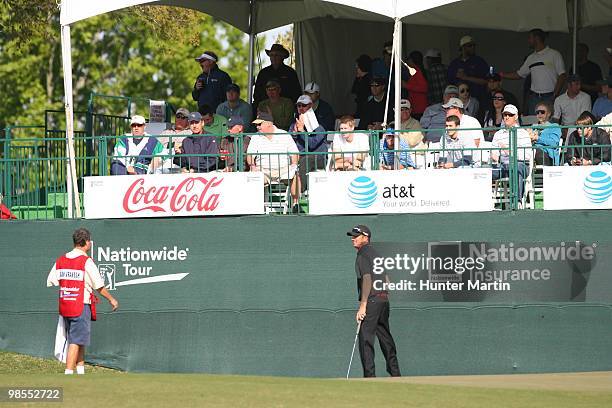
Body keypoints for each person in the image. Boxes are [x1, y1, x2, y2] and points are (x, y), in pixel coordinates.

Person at [46, 228, 118, 375]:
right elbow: (99, 285)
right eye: (90, 241)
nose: (90, 243)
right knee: (75, 341)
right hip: (80, 305)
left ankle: (80, 372)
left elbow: (51, 280)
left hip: (65, 306)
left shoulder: (61, 260)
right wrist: (111, 299)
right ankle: (68, 373)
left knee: (79, 339)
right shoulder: (86, 261)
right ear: (85, 242)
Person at [347, 225, 401, 378]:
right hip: (383, 300)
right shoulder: (376, 254)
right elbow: (387, 279)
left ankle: (369, 377)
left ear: (366, 237)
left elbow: (367, 279)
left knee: (365, 339)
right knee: (385, 336)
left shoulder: (362, 255)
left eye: (356, 236)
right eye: (352, 236)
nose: (353, 238)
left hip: (371, 300)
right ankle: (395, 373)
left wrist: (363, 306)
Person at [500, 29, 566, 115]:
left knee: (549, 123)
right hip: (534, 97)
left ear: (536, 38)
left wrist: (554, 95)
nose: (528, 40)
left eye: (530, 38)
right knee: (533, 123)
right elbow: (519, 74)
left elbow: (562, 75)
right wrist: (501, 75)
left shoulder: (554, 54)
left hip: (549, 96)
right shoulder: (531, 58)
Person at [247, 112, 299, 202]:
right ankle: (255, 206)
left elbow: (294, 153)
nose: (257, 127)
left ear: (269, 123)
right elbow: (250, 155)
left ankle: (296, 203)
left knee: (294, 174)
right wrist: (252, 166)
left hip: (283, 170)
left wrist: (294, 165)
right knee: (252, 176)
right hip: (263, 171)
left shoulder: (284, 134)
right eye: (256, 125)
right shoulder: (255, 137)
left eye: (260, 124)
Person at [288, 94, 328, 210]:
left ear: (310, 107)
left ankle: (299, 195)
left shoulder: (319, 127)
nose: (301, 108)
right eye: (298, 105)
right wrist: (295, 134)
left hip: (318, 157)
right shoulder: (293, 125)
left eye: (304, 105)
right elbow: (288, 142)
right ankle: (294, 201)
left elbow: (312, 144)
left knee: (306, 160)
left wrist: (301, 131)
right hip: (299, 156)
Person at [491, 104, 533, 200]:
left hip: (521, 165)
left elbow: (527, 155)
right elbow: (494, 152)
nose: (507, 117)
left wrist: (510, 152)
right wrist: (495, 156)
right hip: (503, 165)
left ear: (516, 117)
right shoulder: (498, 134)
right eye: (505, 115)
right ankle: (480, 202)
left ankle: (516, 201)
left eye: (510, 115)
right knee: (483, 171)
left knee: (516, 167)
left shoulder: (523, 133)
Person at [253, 43, 302, 110]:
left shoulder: (290, 72)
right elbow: (257, 94)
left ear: (282, 57)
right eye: (271, 55)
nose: (273, 57)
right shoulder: (263, 73)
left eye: (276, 55)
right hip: (266, 108)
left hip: (286, 108)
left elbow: (297, 93)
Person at [447, 35, 489, 102]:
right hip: (459, 101)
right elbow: (450, 84)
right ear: (463, 47)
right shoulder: (454, 63)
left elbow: (486, 81)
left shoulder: (479, 61)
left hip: (478, 99)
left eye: (473, 46)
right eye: (469, 46)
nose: (473, 48)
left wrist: (466, 77)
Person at [528, 101, 561, 165]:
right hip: (532, 153)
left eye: (542, 112)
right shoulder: (533, 127)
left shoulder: (554, 126)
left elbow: (554, 143)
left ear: (548, 114)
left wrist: (537, 138)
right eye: (537, 112)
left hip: (547, 155)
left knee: (536, 151)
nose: (539, 114)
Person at [404, 51, 428, 119]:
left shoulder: (418, 72)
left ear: (412, 60)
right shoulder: (414, 71)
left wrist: (406, 86)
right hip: (415, 107)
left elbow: (424, 88)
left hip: (419, 107)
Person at [351, 54, 373, 119]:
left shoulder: (367, 80)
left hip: (365, 109)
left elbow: (357, 91)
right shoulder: (362, 79)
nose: (356, 69)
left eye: (358, 68)